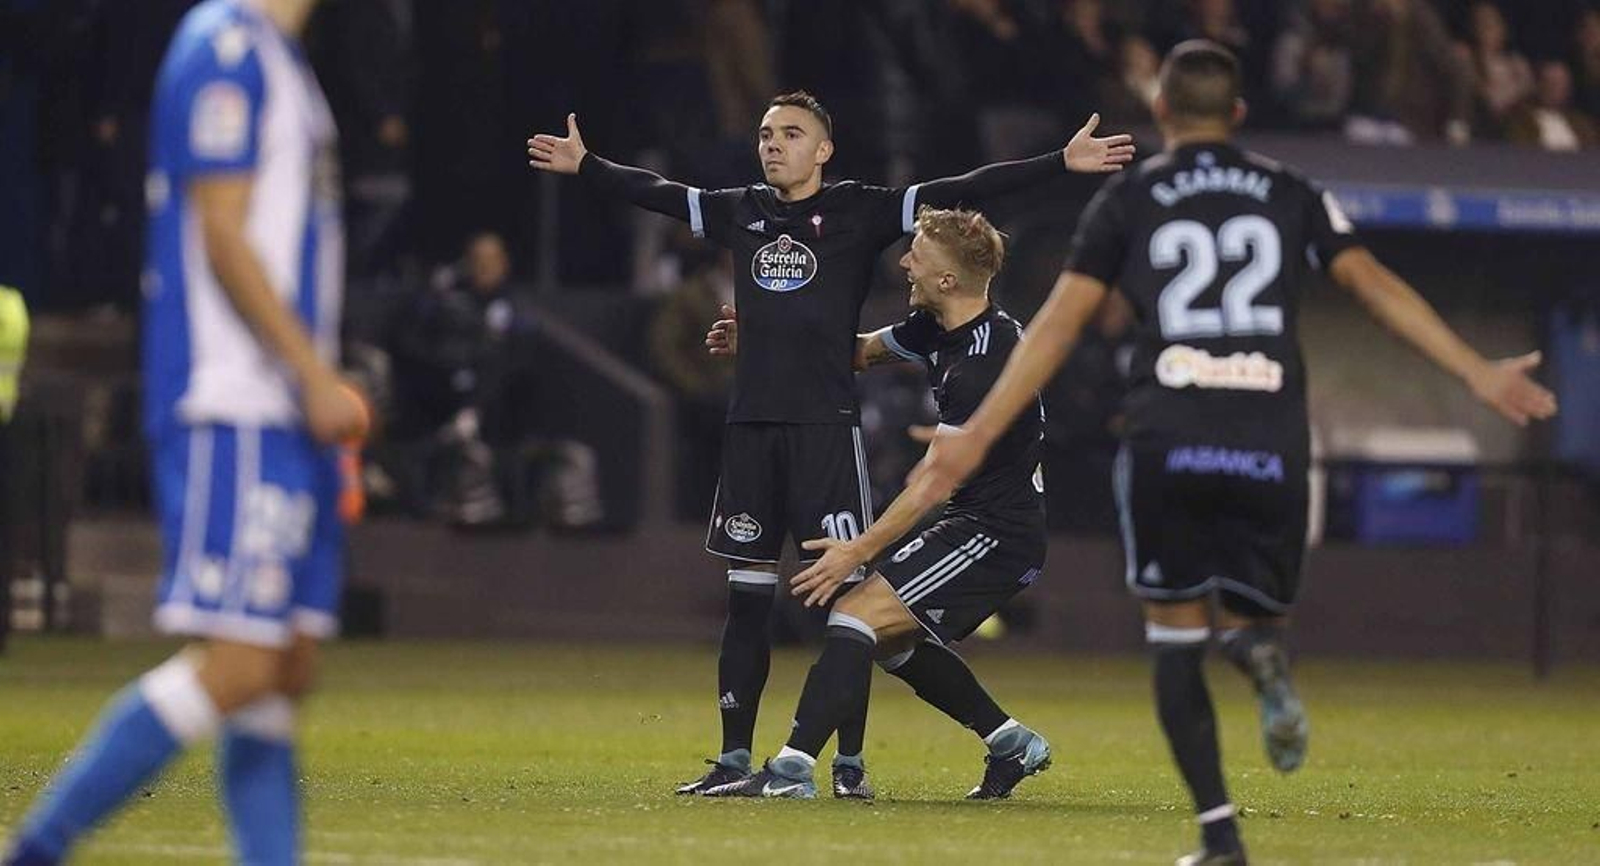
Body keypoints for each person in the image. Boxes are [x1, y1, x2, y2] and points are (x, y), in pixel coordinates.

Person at [912, 40, 1557, 865]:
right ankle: (1259, 643)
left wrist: (977, 436)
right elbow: (1372, 285)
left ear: (1165, 114)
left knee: (1175, 638)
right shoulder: (1291, 192)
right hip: (1269, 435)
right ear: (1240, 115)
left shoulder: (1130, 197)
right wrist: (1476, 370)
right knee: (1258, 608)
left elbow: (1061, 325)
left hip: (1167, 436)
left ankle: (1219, 833)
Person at [527, 91, 1133, 799]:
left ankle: (818, 767)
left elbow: (965, 189)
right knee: (834, 620)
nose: (772, 143)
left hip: (921, 488)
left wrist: (1060, 161)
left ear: (824, 150)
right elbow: (671, 200)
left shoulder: (888, 241)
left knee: (855, 608)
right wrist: (591, 167)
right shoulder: (917, 320)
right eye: (764, 133)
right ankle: (994, 742)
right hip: (761, 430)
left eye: (790, 133)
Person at [4, 1, 367, 863]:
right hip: (234, 399)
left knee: (283, 670)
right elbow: (222, 234)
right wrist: (311, 373)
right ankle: (35, 848)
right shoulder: (225, 44)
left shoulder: (285, 63)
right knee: (241, 662)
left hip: (286, 411)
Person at [702, 206, 1054, 800]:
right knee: (890, 643)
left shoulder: (983, 358)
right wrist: (759, 340)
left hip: (997, 531)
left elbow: (932, 483)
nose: (904, 261)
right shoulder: (939, 327)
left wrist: (856, 551)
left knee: (856, 613)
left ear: (947, 280)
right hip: (973, 518)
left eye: (917, 253)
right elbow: (859, 351)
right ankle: (1012, 743)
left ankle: (789, 771)